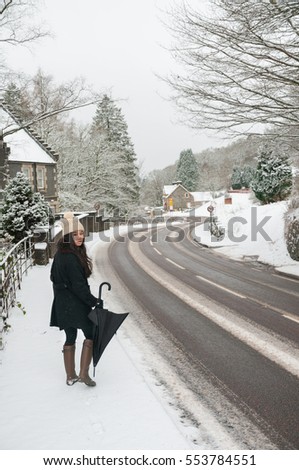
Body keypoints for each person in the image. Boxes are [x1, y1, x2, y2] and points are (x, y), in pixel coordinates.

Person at [50, 212, 98, 387]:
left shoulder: (60, 254)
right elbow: (79, 286)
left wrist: (63, 289)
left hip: (63, 304)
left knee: (70, 335)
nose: (80, 237)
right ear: (68, 236)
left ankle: (70, 376)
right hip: (75, 304)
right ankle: (84, 374)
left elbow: (52, 277)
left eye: (82, 233)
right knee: (90, 333)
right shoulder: (71, 257)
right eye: (76, 234)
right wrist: (94, 301)